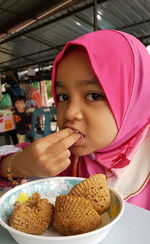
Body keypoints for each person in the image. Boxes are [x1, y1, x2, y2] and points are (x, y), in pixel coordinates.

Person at [0, 30, 149, 210]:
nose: (70, 113)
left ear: (134, 100)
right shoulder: (63, 156)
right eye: (63, 97)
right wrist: (21, 164)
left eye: (94, 95)